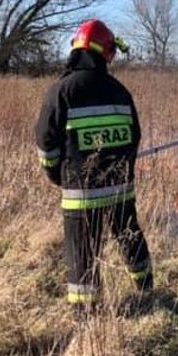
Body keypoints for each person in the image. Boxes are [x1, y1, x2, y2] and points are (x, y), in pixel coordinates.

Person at [34, 19, 152, 317]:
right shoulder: (120, 92)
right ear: (104, 52)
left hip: (81, 194)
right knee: (130, 238)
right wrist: (123, 167)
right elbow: (134, 137)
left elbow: (46, 143)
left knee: (82, 252)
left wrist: (57, 174)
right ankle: (147, 290)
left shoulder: (62, 92)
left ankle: (86, 315)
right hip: (121, 189)